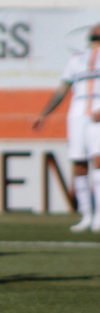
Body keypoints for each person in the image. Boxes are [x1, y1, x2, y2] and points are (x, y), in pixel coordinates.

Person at [33, 25, 100, 232]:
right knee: (79, 164)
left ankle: (99, 217)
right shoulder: (76, 59)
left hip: (97, 113)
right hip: (77, 114)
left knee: (98, 161)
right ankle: (86, 216)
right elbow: (62, 89)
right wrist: (44, 113)